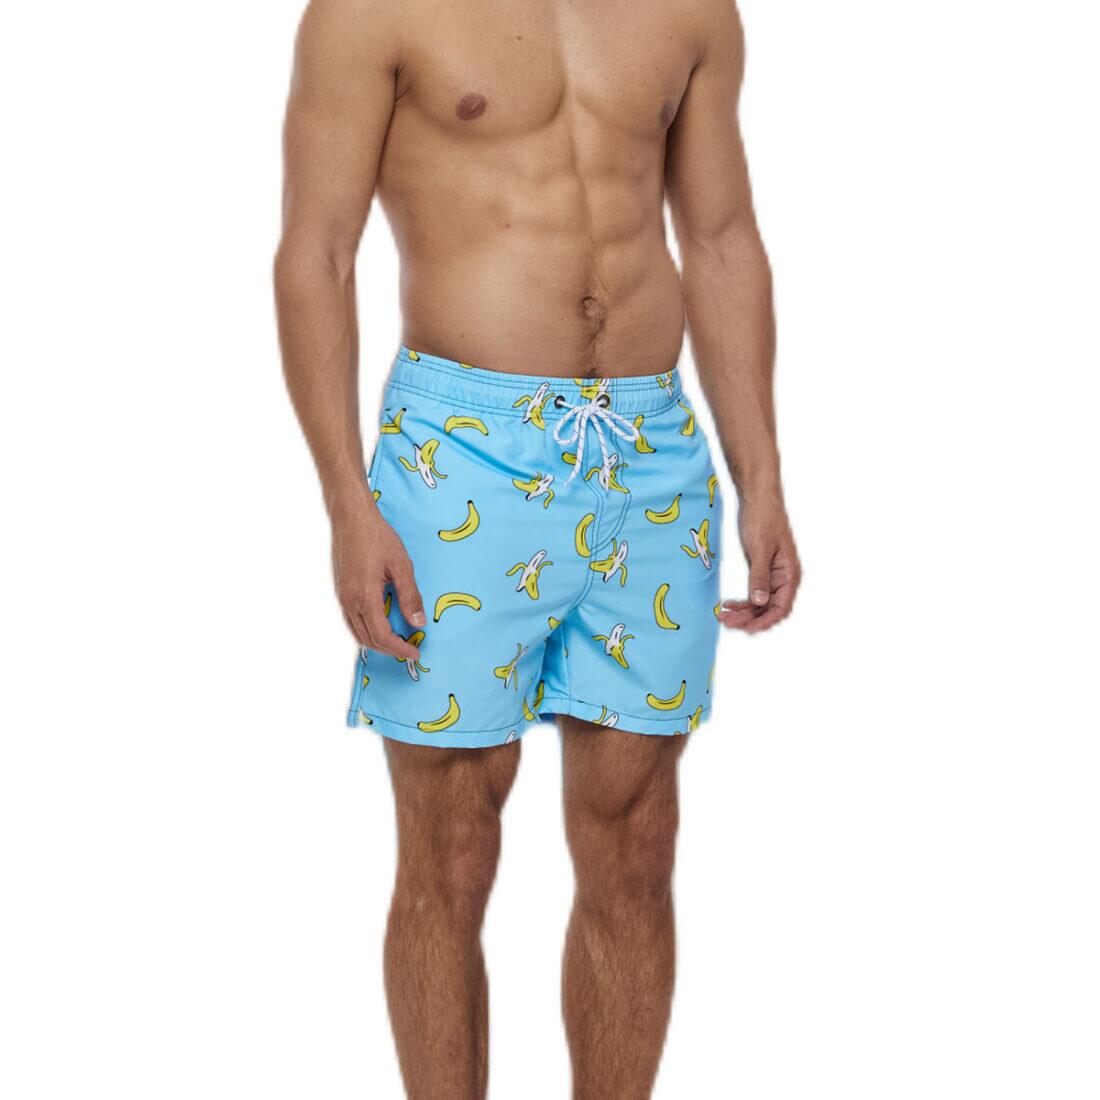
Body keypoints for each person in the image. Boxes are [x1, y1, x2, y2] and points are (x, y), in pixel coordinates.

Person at [274, 0, 801, 1093]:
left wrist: (762, 478)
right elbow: (316, 254)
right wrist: (347, 505)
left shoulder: (690, 10)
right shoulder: (369, 12)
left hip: (649, 455)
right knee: (452, 847)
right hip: (461, 457)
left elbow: (719, 238)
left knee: (637, 841)